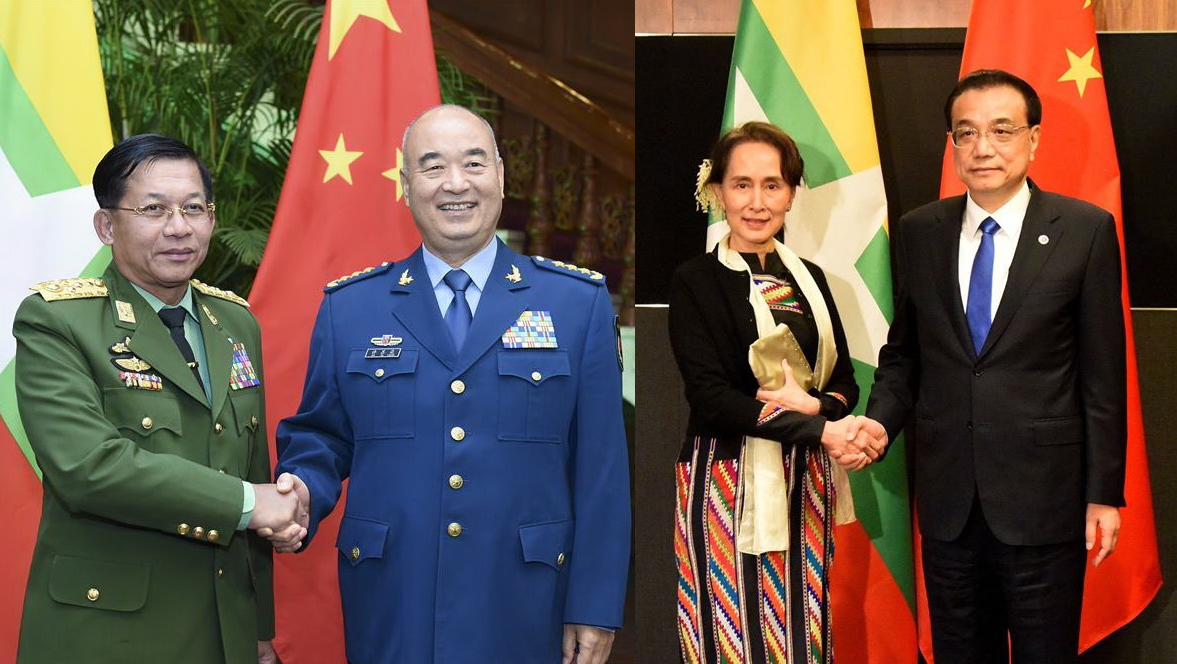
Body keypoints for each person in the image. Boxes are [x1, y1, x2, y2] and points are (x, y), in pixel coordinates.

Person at [271, 104, 631, 664]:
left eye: (474, 163)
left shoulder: (575, 303)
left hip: (526, 600)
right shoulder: (352, 307)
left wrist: (595, 604)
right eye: (433, 166)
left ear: (501, 177)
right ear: (406, 184)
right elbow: (323, 435)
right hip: (393, 597)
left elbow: (601, 469)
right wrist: (301, 493)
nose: (456, 183)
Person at [854, 69, 1127, 663]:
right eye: (967, 132)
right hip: (950, 503)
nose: (983, 147)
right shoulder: (919, 231)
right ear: (951, 143)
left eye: (1002, 130)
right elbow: (905, 355)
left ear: (1034, 139)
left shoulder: (1084, 231)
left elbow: (1104, 376)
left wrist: (1104, 493)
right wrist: (877, 424)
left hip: (1045, 502)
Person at [13, 134, 304, 664]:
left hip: (225, 629)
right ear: (107, 226)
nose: (178, 227)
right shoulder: (58, 321)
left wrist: (259, 627)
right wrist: (248, 502)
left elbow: (251, 466)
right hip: (111, 633)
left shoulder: (235, 321)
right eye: (154, 209)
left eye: (194, 208)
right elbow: (88, 468)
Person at [667, 121, 884, 664]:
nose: (757, 202)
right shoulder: (696, 280)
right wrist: (822, 429)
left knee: (802, 633)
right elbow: (711, 397)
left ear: (790, 194)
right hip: (724, 479)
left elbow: (844, 382)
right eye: (742, 185)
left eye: (772, 185)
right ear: (717, 191)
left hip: (805, 479)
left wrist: (818, 411)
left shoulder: (811, 279)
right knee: (728, 635)